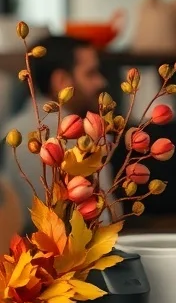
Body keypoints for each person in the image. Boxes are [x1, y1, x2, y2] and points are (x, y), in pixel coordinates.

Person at [0, 35, 108, 227]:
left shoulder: (12, 129)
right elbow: (102, 220)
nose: (101, 82)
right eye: (91, 73)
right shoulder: (76, 136)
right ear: (61, 81)